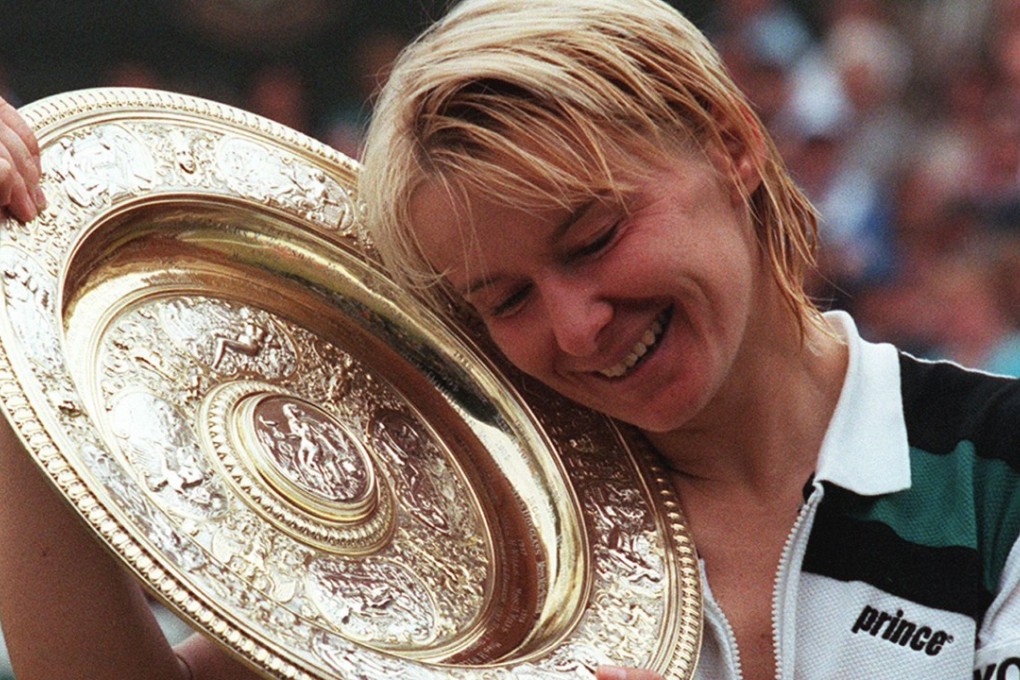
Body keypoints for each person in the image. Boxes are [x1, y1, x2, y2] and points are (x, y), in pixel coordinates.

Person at [1, 0, 1019, 678]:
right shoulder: (493, 520)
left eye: (596, 237)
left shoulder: (999, 470)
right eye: (505, 297)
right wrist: (12, 306)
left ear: (732, 142)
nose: (578, 325)